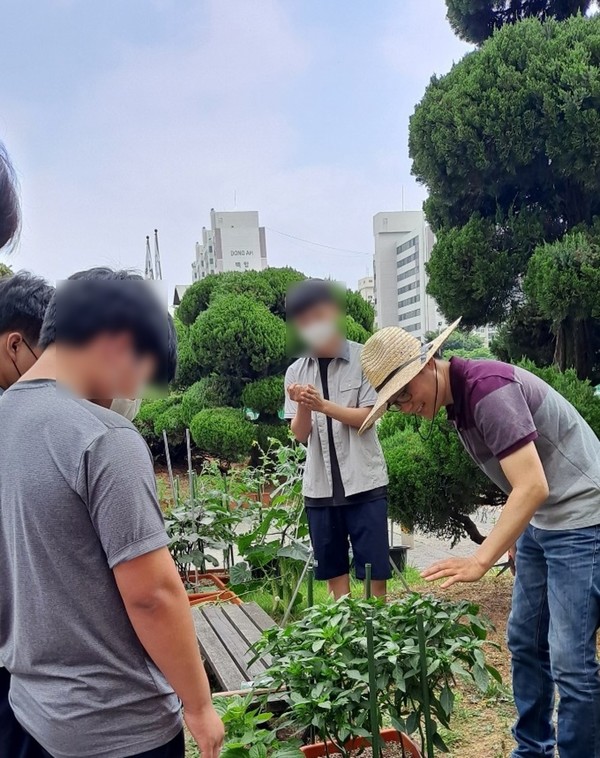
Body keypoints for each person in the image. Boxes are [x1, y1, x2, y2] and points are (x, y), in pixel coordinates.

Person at [0, 270, 224, 758]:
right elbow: (153, 595)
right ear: (120, 342)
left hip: (26, 716)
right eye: (142, 373)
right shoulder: (102, 438)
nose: (135, 393)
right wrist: (200, 707)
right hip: (118, 726)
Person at [359, 319, 600, 758]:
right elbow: (521, 485)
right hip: (542, 520)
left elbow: (533, 485)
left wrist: (480, 560)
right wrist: (516, 529)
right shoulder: (459, 404)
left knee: (570, 659)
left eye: (405, 394)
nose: (405, 407)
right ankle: (532, 749)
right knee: (526, 642)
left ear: (428, 364)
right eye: (393, 403)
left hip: (581, 517)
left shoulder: (487, 389)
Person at [284, 279, 390, 599]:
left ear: (334, 313)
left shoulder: (365, 360)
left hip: (365, 484)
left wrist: (323, 406)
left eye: (318, 316)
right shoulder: (295, 372)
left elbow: (369, 418)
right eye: (303, 322)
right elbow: (301, 435)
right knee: (334, 574)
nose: (312, 326)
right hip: (320, 489)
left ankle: (376, 640)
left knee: (375, 573)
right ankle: (345, 641)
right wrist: (304, 406)